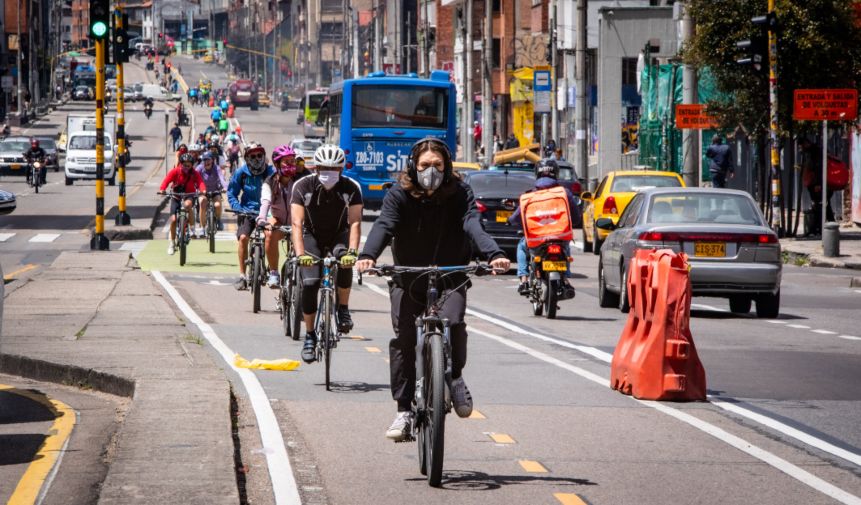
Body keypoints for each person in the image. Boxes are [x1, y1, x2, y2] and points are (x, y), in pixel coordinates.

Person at [355, 137, 511, 441]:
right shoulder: (398, 194)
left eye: (438, 165)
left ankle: (454, 377)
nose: (431, 171)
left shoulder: (461, 192)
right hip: (408, 277)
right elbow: (385, 225)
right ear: (414, 165)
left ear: (447, 166)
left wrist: (495, 254)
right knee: (403, 340)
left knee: (453, 324)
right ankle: (403, 410)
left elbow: (472, 224)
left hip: (451, 275)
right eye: (425, 165)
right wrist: (367, 256)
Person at [291, 145, 362, 363]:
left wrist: (352, 252)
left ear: (341, 169)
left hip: (339, 235)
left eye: (334, 168)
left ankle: (343, 308)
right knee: (311, 283)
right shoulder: (302, 186)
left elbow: (355, 221)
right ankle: (310, 335)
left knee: (345, 261)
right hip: (312, 236)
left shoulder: (352, 187)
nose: (328, 172)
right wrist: (301, 253)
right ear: (316, 167)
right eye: (324, 167)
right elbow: (296, 223)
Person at [507, 159, 581, 297]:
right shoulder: (564, 193)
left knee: (522, 247)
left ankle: (523, 280)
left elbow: (517, 216)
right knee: (566, 247)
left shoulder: (529, 196)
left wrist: (510, 221)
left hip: (536, 240)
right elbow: (576, 217)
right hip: (559, 238)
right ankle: (565, 279)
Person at [227, 142, 275, 290]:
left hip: (267, 213)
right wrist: (237, 208)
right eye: (253, 156)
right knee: (243, 238)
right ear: (247, 158)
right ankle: (242, 275)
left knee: (270, 236)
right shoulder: (241, 173)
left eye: (260, 155)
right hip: (247, 212)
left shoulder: (272, 172)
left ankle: (273, 272)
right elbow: (231, 193)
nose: (256, 158)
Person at [257, 145, 300, 288]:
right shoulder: (270, 183)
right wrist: (262, 218)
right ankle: (274, 273)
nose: (291, 165)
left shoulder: (301, 181)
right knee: (269, 232)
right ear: (277, 164)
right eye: (286, 162)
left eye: (293, 161)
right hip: (279, 220)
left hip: (297, 221)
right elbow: (265, 202)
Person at [159, 153, 206, 255]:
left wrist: (203, 190)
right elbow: (166, 180)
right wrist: (162, 189)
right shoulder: (175, 171)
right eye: (184, 165)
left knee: (188, 205)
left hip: (189, 195)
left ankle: (191, 227)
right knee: (173, 220)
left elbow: (200, 182)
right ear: (181, 164)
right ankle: (171, 243)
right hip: (176, 196)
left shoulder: (194, 173)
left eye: (189, 165)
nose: (186, 167)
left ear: (192, 165)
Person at [800, 138, 834, 236]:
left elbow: (819, 168)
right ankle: (823, 228)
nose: (801, 148)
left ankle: (816, 228)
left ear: (806, 143)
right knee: (824, 206)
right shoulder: (812, 151)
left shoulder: (816, 152)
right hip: (817, 184)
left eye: (802, 145)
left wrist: (818, 184)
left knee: (819, 206)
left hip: (819, 184)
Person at [196, 151, 226, 236]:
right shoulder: (199, 168)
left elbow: (222, 178)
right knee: (202, 203)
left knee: (217, 205)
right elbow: (193, 177)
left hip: (215, 191)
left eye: (208, 160)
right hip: (203, 192)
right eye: (204, 160)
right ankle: (202, 227)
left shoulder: (217, 168)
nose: (206, 162)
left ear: (212, 160)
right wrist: (195, 188)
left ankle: (219, 219)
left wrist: (225, 187)